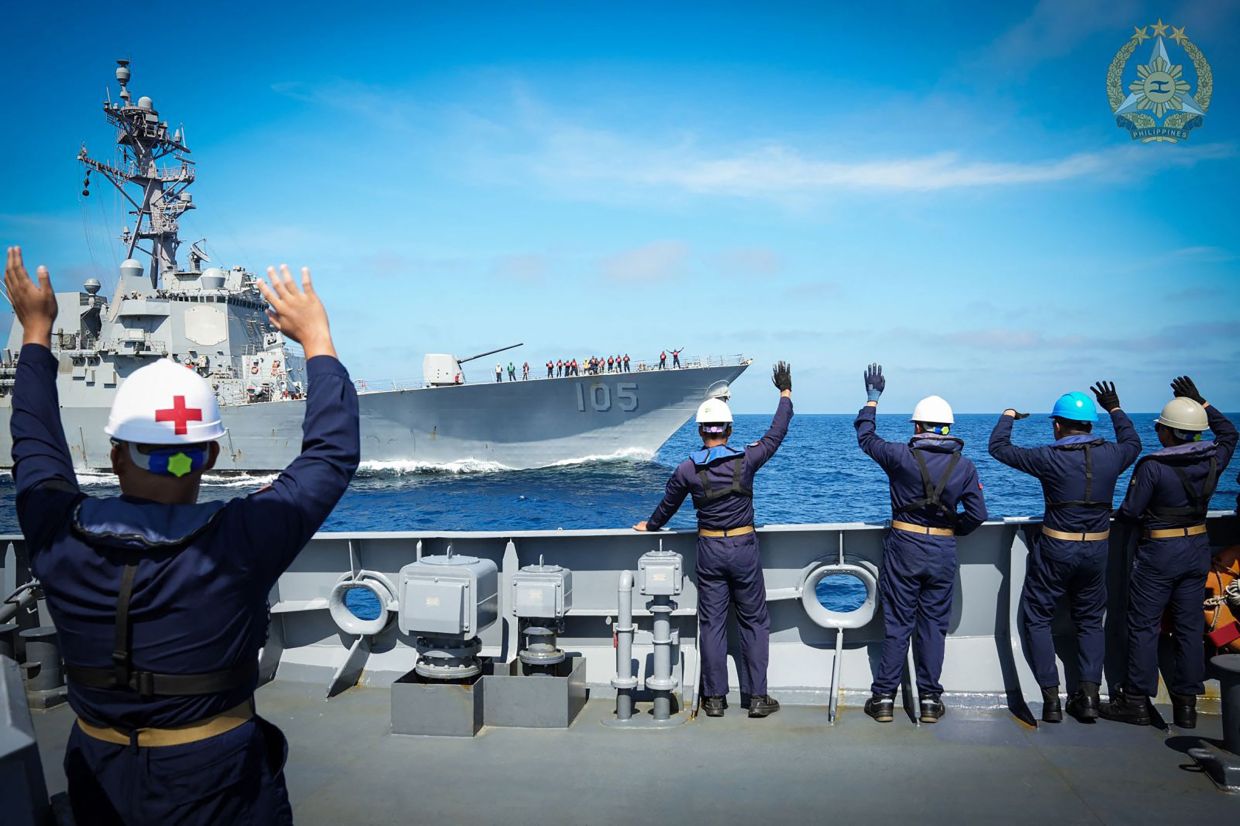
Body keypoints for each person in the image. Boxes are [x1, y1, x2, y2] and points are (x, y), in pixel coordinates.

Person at [5, 247, 359, 824]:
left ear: (115, 455)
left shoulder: (55, 529)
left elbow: (35, 448)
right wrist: (317, 338)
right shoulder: (241, 540)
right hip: (215, 782)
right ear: (210, 456)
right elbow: (330, 456)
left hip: (98, 770)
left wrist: (35, 332)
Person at [633, 362, 794, 719]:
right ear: (729, 429)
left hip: (709, 550)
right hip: (743, 548)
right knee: (754, 622)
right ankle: (757, 698)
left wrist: (652, 526)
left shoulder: (687, 469)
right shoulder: (746, 460)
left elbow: (667, 507)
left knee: (713, 624)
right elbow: (776, 434)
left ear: (700, 431)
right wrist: (785, 394)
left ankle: (715, 700)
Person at [988, 382, 1141, 723]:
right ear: (1089, 424)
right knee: (1090, 620)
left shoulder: (1048, 457)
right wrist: (1115, 408)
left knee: (1038, 616)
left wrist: (1008, 415)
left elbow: (998, 448)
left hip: (1056, 548)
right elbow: (1133, 443)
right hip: (1097, 548)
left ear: (1057, 425)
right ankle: (1088, 699)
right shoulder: (1113, 455)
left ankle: (1050, 700)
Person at [1100, 376, 1237, 729]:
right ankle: (1186, 704)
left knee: (1144, 625)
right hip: (1197, 548)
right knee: (1189, 627)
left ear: (1169, 432)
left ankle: (1136, 701)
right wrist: (1202, 402)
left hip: (1159, 552)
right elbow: (1229, 434)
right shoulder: (1213, 459)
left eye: (1160, 427)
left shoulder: (1153, 466)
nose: (1157, 432)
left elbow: (1131, 512)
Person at [856, 364, 987, 724]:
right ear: (948, 429)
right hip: (942, 551)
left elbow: (866, 437)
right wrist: (952, 529)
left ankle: (884, 699)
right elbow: (978, 514)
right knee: (933, 626)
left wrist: (872, 399)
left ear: (917, 427)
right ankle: (929, 700)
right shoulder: (965, 467)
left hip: (904, 546)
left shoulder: (900, 456)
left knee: (898, 625)